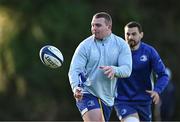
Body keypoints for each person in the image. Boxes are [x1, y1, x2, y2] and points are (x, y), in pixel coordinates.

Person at [68, 12, 132, 122]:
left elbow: (127, 69)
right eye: (92, 25)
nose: (94, 28)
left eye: (98, 25)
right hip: (86, 93)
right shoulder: (85, 46)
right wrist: (76, 87)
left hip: (107, 98)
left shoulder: (121, 45)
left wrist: (114, 70)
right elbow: (74, 69)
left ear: (109, 27)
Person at [114, 21, 169, 122]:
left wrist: (157, 90)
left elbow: (163, 75)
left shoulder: (149, 52)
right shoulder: (117, 52)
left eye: (134, 34)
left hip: (144, 101)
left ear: (141, 35)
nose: (130, 37)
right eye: (127, 34)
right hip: (123, 101)